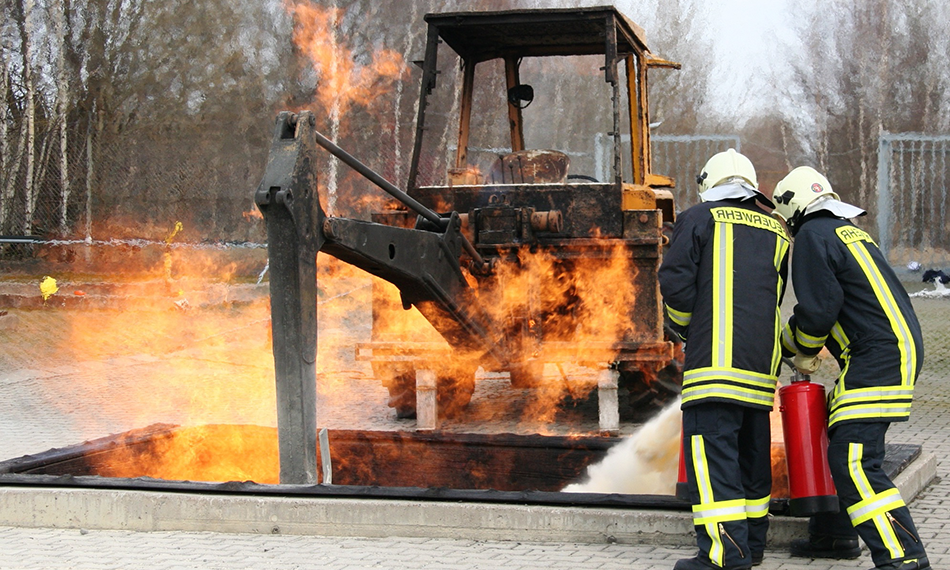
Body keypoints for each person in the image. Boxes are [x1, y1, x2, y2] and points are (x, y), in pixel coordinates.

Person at [772, 166, 929, 570]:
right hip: (892, 348)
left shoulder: (809, 236)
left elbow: (819, 309)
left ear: (791, 210)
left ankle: (903, 558)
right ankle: (835, 536)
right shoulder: (847, 231)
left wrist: (794, 347)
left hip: (876, 355)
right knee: (841, 445)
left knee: (855, 460)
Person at [659, 149, 790, 570]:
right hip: (760, 373)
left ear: (710, 185)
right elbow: (777, 294)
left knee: (712, 463)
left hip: (713, 370)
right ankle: (751, 547)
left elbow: (675, 285)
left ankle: (722, 557)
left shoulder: (698, 218)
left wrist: (682, 328)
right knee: (752, 460)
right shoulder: (778, 229)